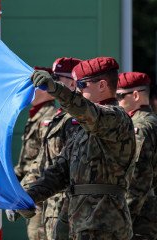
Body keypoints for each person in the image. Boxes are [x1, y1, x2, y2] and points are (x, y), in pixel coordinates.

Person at [19, 57, 136, 239]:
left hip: (106, 224)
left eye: (82, 84)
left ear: (102, 85)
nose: (77, 89)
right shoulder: (82, 128)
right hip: (79, 224)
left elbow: (91, 113)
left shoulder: (117, 118)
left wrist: (56, 89)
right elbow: (59, 171)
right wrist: (27, 197)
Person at [10, 66, 57, 240]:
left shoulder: (49, 118)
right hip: (30, 193)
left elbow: (43, 161)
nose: (30, 89)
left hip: (40, 194)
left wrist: (22, 191)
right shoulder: (35, 116)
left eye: (35, 85)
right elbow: (26, 161)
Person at [117, 72, 157, 239]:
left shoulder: (140, 127)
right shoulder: (149, 121)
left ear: (135, 95)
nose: (117, 101)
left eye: (119, 96)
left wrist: (122, 218)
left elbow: (138, 178)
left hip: (139, 217)